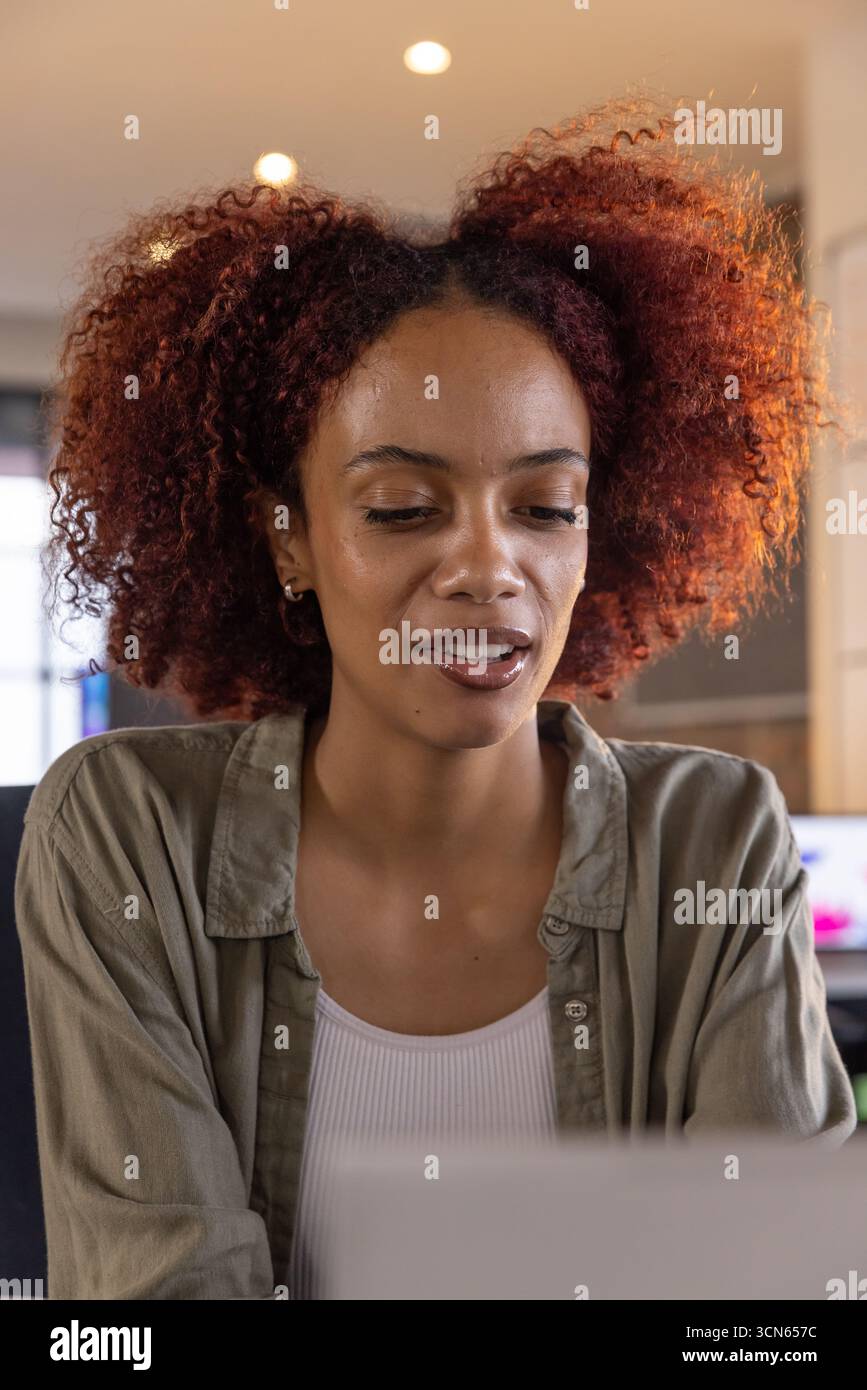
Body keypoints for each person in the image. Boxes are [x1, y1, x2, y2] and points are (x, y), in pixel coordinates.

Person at [15, 95, 856, 1300]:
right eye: (404, 507)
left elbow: (770, 1310)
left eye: (545, 506)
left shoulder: (714, 840)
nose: (487, 565)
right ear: (288, 540)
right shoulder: (126, 837)